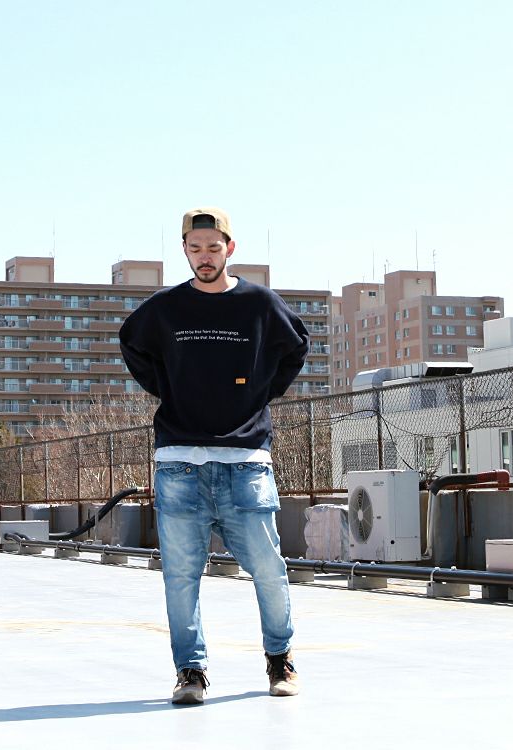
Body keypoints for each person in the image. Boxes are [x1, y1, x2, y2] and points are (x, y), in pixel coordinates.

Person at [119, 207, 310, 704]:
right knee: (181, 578)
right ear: (184, 250)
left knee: (269, 569)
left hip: (246, 460)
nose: (204, 257)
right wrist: (168, 387)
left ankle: (280, 659)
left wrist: (260, 393)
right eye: (195, 248)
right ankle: (191, 672)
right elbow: (131, 343)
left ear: (230, 248)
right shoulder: (165, 308)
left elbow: (296, 346)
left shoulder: (259, 303)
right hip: (179, 461)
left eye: (213, 247)